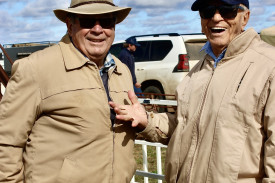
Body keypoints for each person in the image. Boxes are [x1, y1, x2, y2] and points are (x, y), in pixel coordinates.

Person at [109, 0, 275, 182]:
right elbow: (183, 125)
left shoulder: (268, 66)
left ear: (245, 17)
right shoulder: (200, 69)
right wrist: (147, 120)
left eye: (228, 10)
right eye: (208, 10)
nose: (216, 17)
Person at [0, 0, 138, 182]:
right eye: (88, 21)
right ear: (69, 25)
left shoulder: (122, 71)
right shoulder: (36, 68)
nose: (98, 30)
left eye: (106, 22)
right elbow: (6, 142)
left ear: (114, 26)